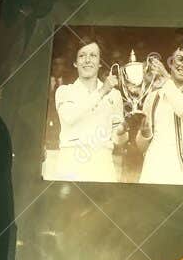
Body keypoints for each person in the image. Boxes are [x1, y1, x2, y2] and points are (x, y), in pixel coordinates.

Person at [45, 39, 126, 183]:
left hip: (103, 166)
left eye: (93, 55)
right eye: (82, 56)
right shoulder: (64, 91)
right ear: (75, 62)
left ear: (100, 62)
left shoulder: (115, 95)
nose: (87, 60)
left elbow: (118, 140)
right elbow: (69, 117)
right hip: (71, 165)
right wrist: (102, 91)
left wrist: (121, 132)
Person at [138, 44, 183, 185]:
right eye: (180, 59)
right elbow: (142, 147)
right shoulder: (153, 96)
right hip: (152, 172)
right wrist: (144, 134)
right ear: (171, 62)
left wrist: (166, 77)